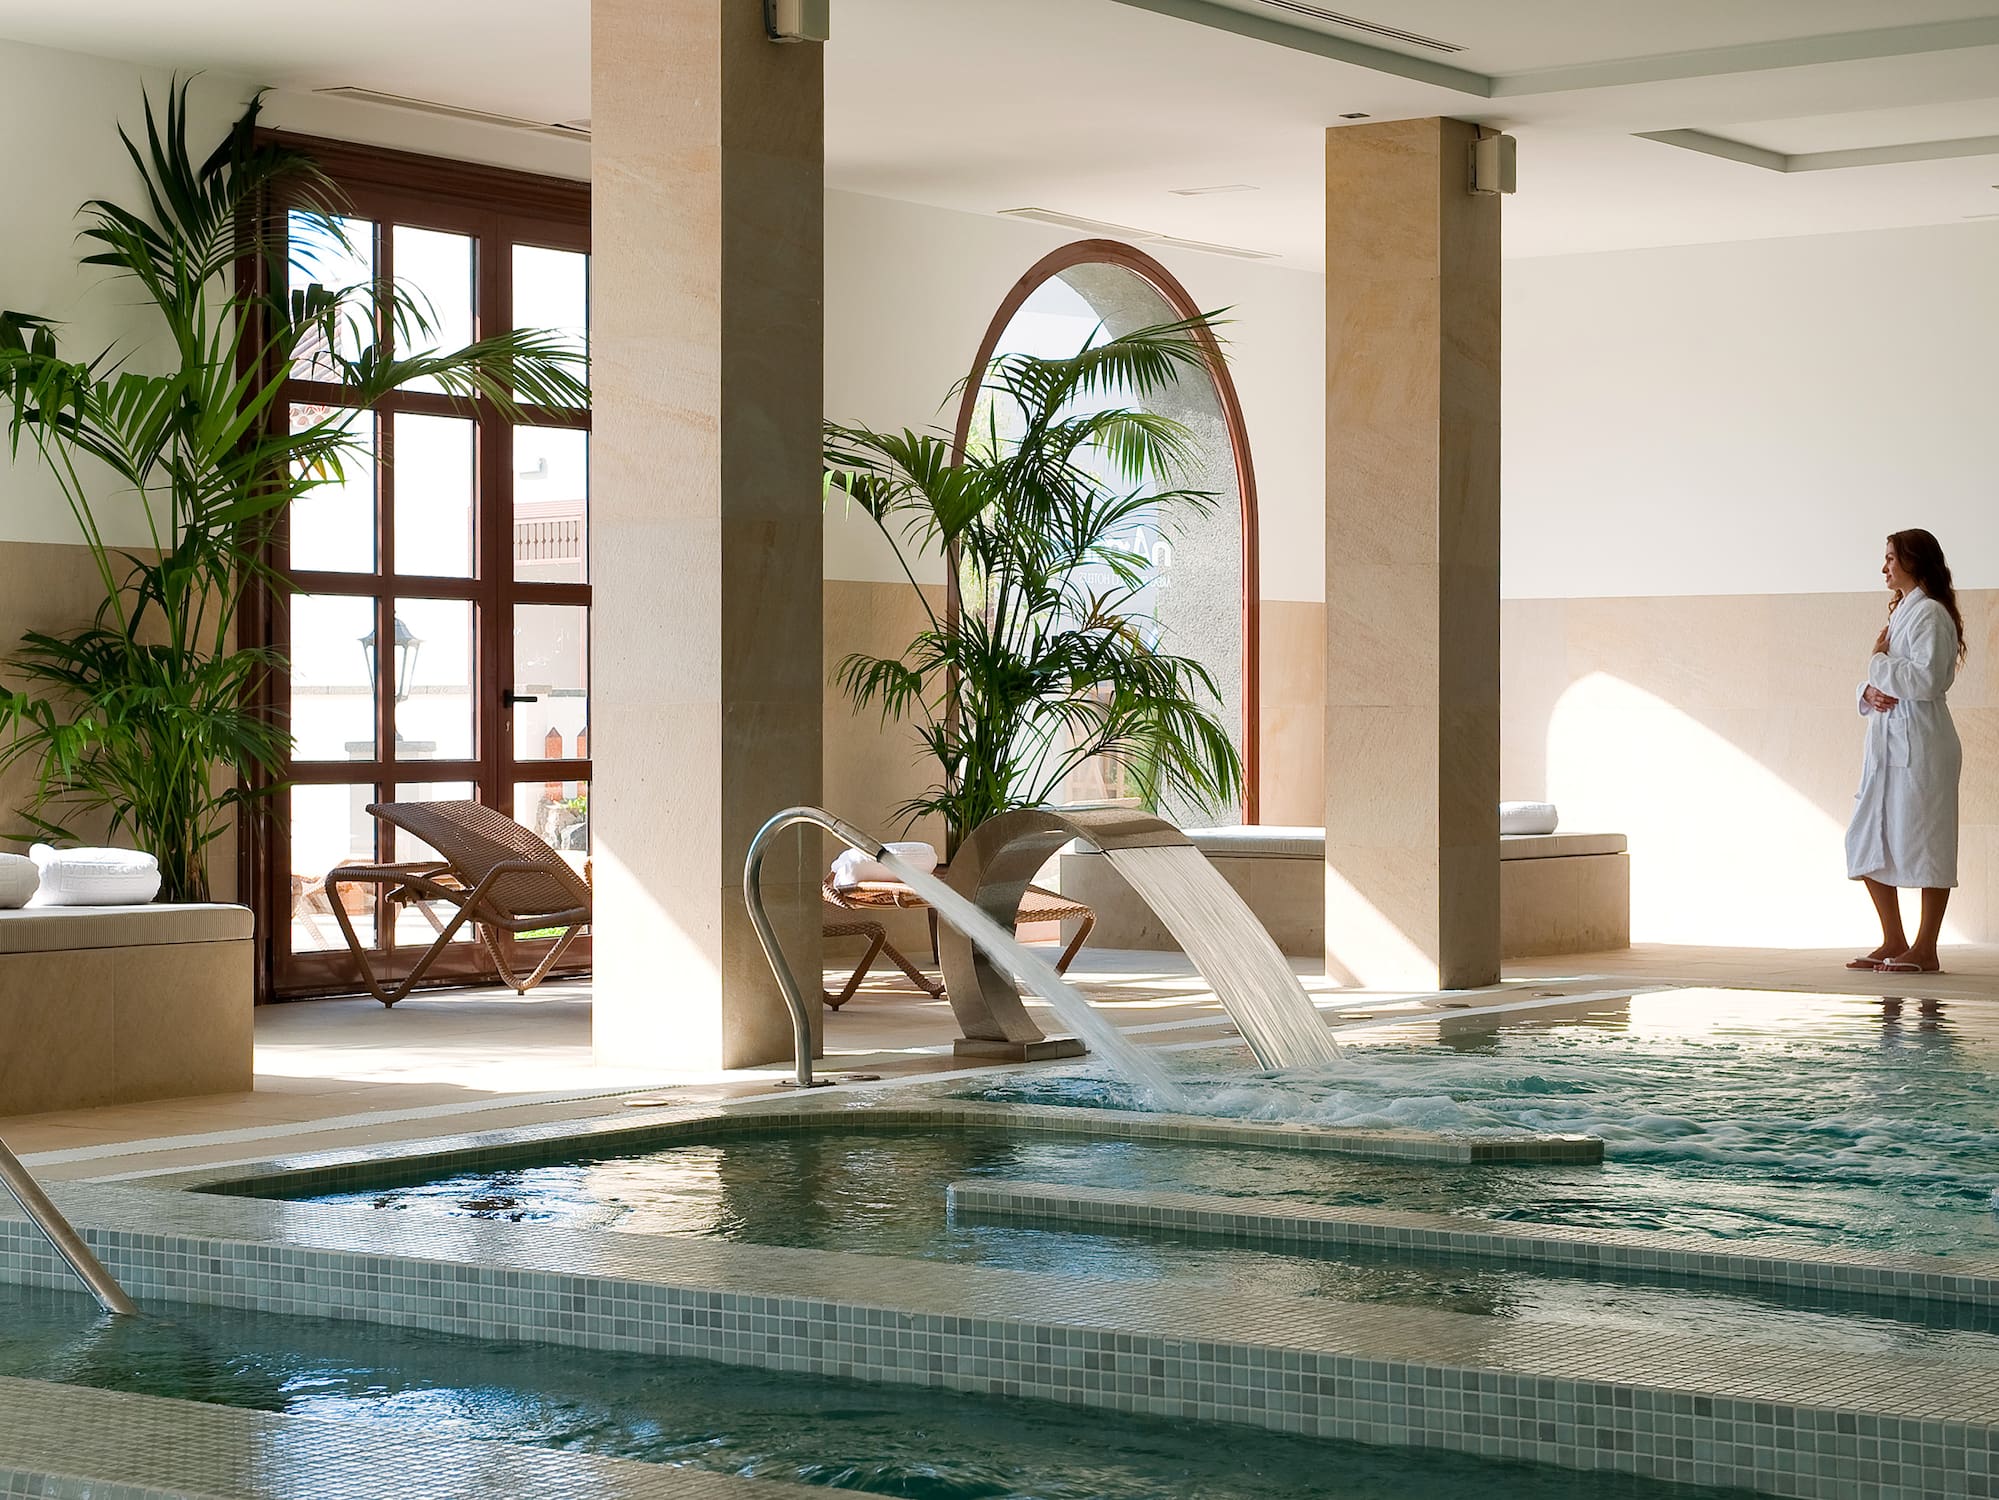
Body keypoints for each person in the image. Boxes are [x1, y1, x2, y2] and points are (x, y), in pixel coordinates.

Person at [1845, 529, 1966, 975]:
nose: (1885, 567)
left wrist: (1877, 664)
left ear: (1914, 561)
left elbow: (1929, 680)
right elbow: (1893, 683)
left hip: (1924, 749)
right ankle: (1894, 939)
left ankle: (1925, 948)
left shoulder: (1930, 614)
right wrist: (1868, 691)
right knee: (1866, 836)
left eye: (1892, 558)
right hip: (1891, 746)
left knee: (1927, 842)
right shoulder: (1903, 614)